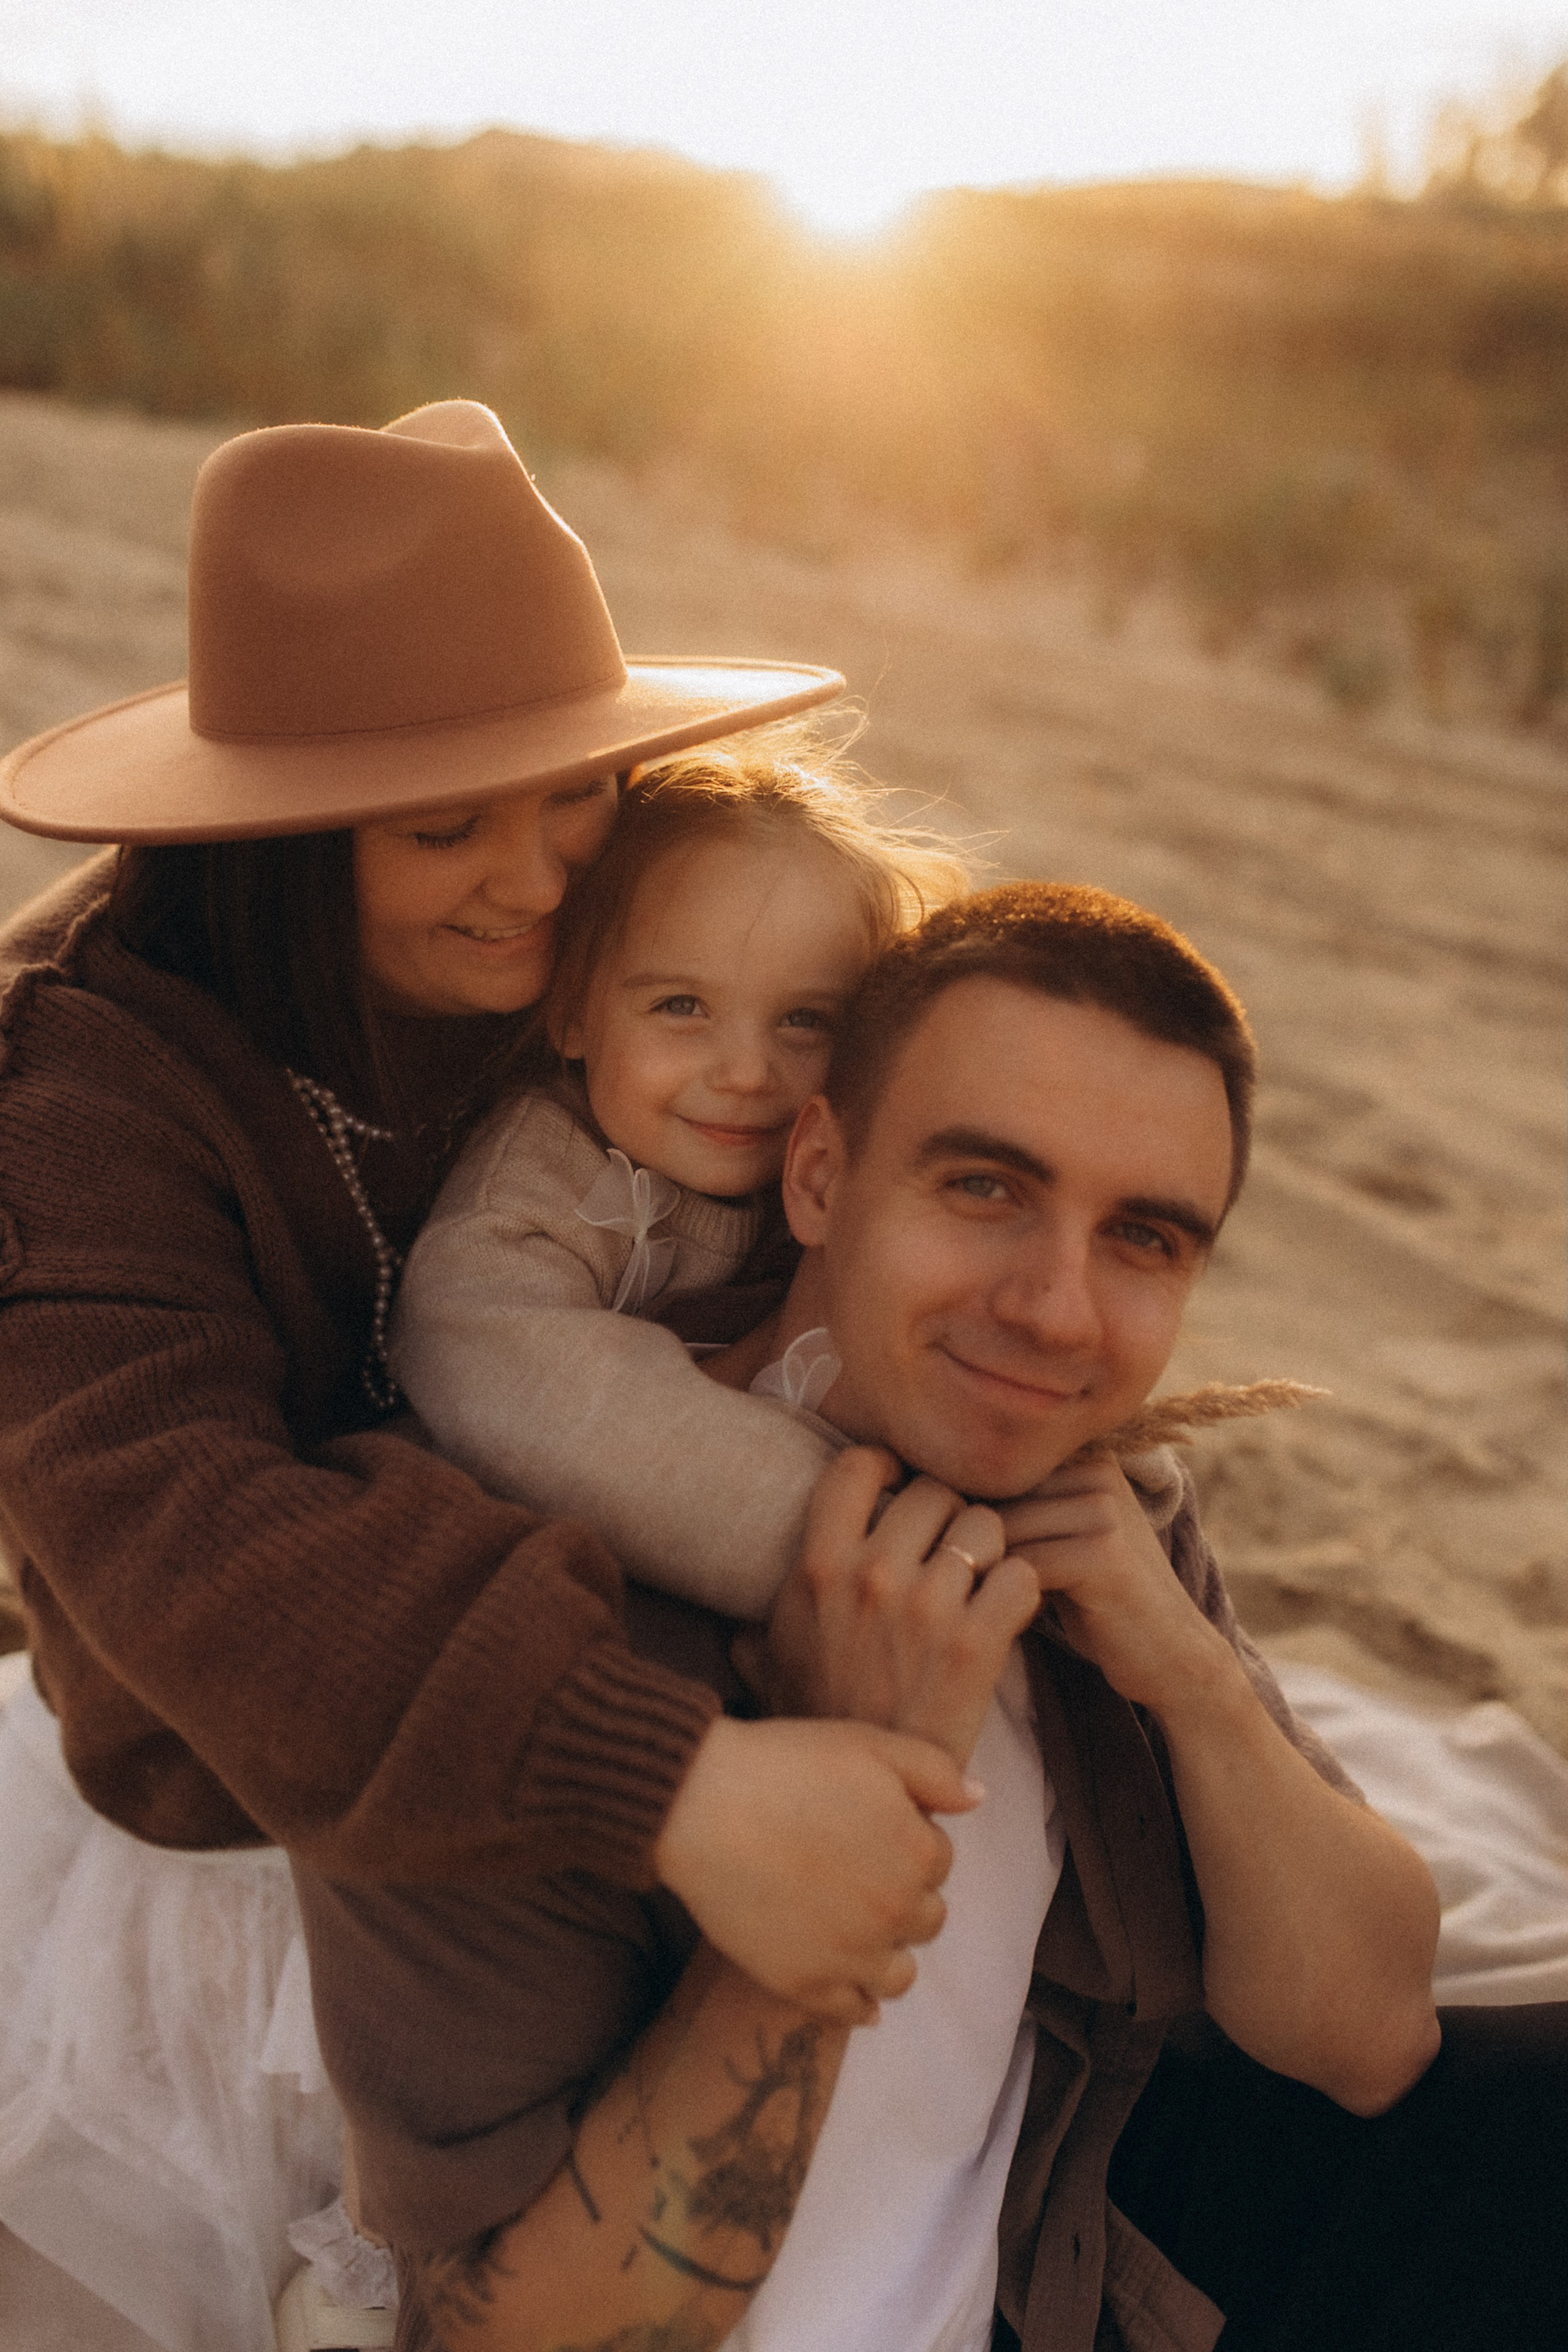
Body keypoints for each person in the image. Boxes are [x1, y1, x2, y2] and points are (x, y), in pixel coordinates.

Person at [0, 399, 975, 2350]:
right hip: (271, 1794)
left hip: (628, 1664)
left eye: (573, 793)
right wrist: (680, 1787)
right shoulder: (76, 1093)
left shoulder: (600, 975)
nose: (541, 882)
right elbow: (193, 1547)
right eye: (450, 823)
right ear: (270, 832)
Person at [295, 883, 1449, 2352]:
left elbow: (1366, 2038)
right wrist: (861, 1768)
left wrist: (1191, 1680)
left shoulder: (1094, 1505)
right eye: (984, 1188)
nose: (1057, 1313)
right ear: (821, 1175)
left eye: (1143, 1240)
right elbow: (514, 2334)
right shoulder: (494, 1585)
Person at [388, 739, 968, 1616]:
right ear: (574, 1012)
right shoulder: (538, 1179)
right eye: (681, 1008)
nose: (745, 1072)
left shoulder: (837, 1171)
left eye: (805, 1020)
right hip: (499, 1578)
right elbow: (535, 1391)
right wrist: (856, 1542)